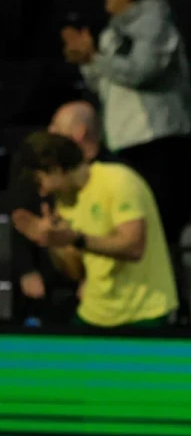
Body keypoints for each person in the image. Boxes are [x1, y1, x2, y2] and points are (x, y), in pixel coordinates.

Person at [63, 0, 191, 246]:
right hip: (122, 138)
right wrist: (85, 61)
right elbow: (103, 84)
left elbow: (140, 72)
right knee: (130, 219)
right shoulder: (111, 31)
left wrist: (95, 58)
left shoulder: (155, 23)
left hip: (155, 138)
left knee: (158, 220)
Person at [11, 132, 178, 330]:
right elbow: (75, 272)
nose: (42, 192)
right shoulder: (64, 202)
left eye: (40, 181)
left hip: (143, 311)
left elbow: (134, 247)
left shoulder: (118, 180)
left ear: (55, 169)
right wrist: (54, 241)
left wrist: (76, 238)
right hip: (96, 311)